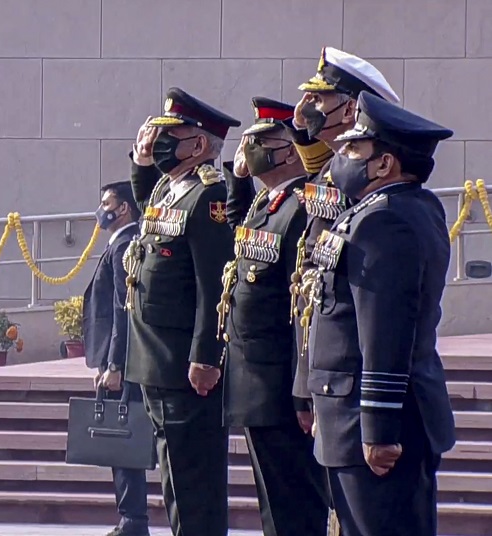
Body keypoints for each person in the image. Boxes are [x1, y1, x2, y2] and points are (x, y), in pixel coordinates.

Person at [306, 90, 456, 535]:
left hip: (371, 425)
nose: (342, 155)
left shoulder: (383, 220)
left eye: (354, 148)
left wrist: (378, 426)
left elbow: (385, 329)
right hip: (350, 417)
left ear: (384, 164)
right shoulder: (401, 208)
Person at [123, 87, 238, 536]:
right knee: (174, 475)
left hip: (183, 366)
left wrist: (205, 355)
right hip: (157, 360)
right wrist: (140, 158)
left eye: (175, 133)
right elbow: (146, 205)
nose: (162, 140)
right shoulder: (171, 190)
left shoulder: (207, 199)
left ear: (201, 145)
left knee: (193, 482)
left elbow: (214, 286)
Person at [219, 97, 333, 536]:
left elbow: (303, 309)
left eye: (259, 141)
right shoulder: (266, 204)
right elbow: (236, 234)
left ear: (288, 147)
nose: (249, 148)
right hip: (255, 383)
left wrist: (301, 393)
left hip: (281, 387)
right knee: (274, 506)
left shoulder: (301, 206)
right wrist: (237, 176)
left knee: (295, 506)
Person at [288, 46, 402, 420]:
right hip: (321, 366)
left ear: (351, 109)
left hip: (347, 373)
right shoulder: (330, 172)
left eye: (319, 99)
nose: (308, 107)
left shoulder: (359, 180)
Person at [82, 181, 148, 536]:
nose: (101, 208)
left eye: (106, 202)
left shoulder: (125, 244)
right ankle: (131, 518)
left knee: (124, 442)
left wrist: (115, 365)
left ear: (124, 208)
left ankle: (133, 519)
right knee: (122, 443)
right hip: (117, 359)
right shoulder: (121, 243)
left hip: (123, 363)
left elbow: (123, 311)